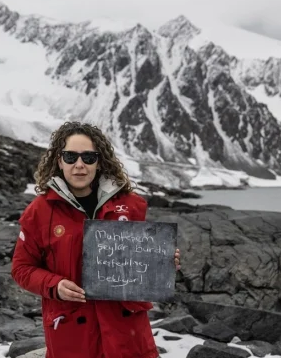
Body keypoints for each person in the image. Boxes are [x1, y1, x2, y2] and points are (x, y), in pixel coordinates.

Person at [11, 121, 181, 358]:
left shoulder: (130, 205)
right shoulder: (39, 212)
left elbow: (140, 263)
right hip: (72, 333)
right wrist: (54, 285)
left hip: (127, 332)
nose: (79, 165)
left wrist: (162, 262)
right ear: (59, 161)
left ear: (99, 162)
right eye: (70, 157)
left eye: (88, 157)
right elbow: (22, 268)